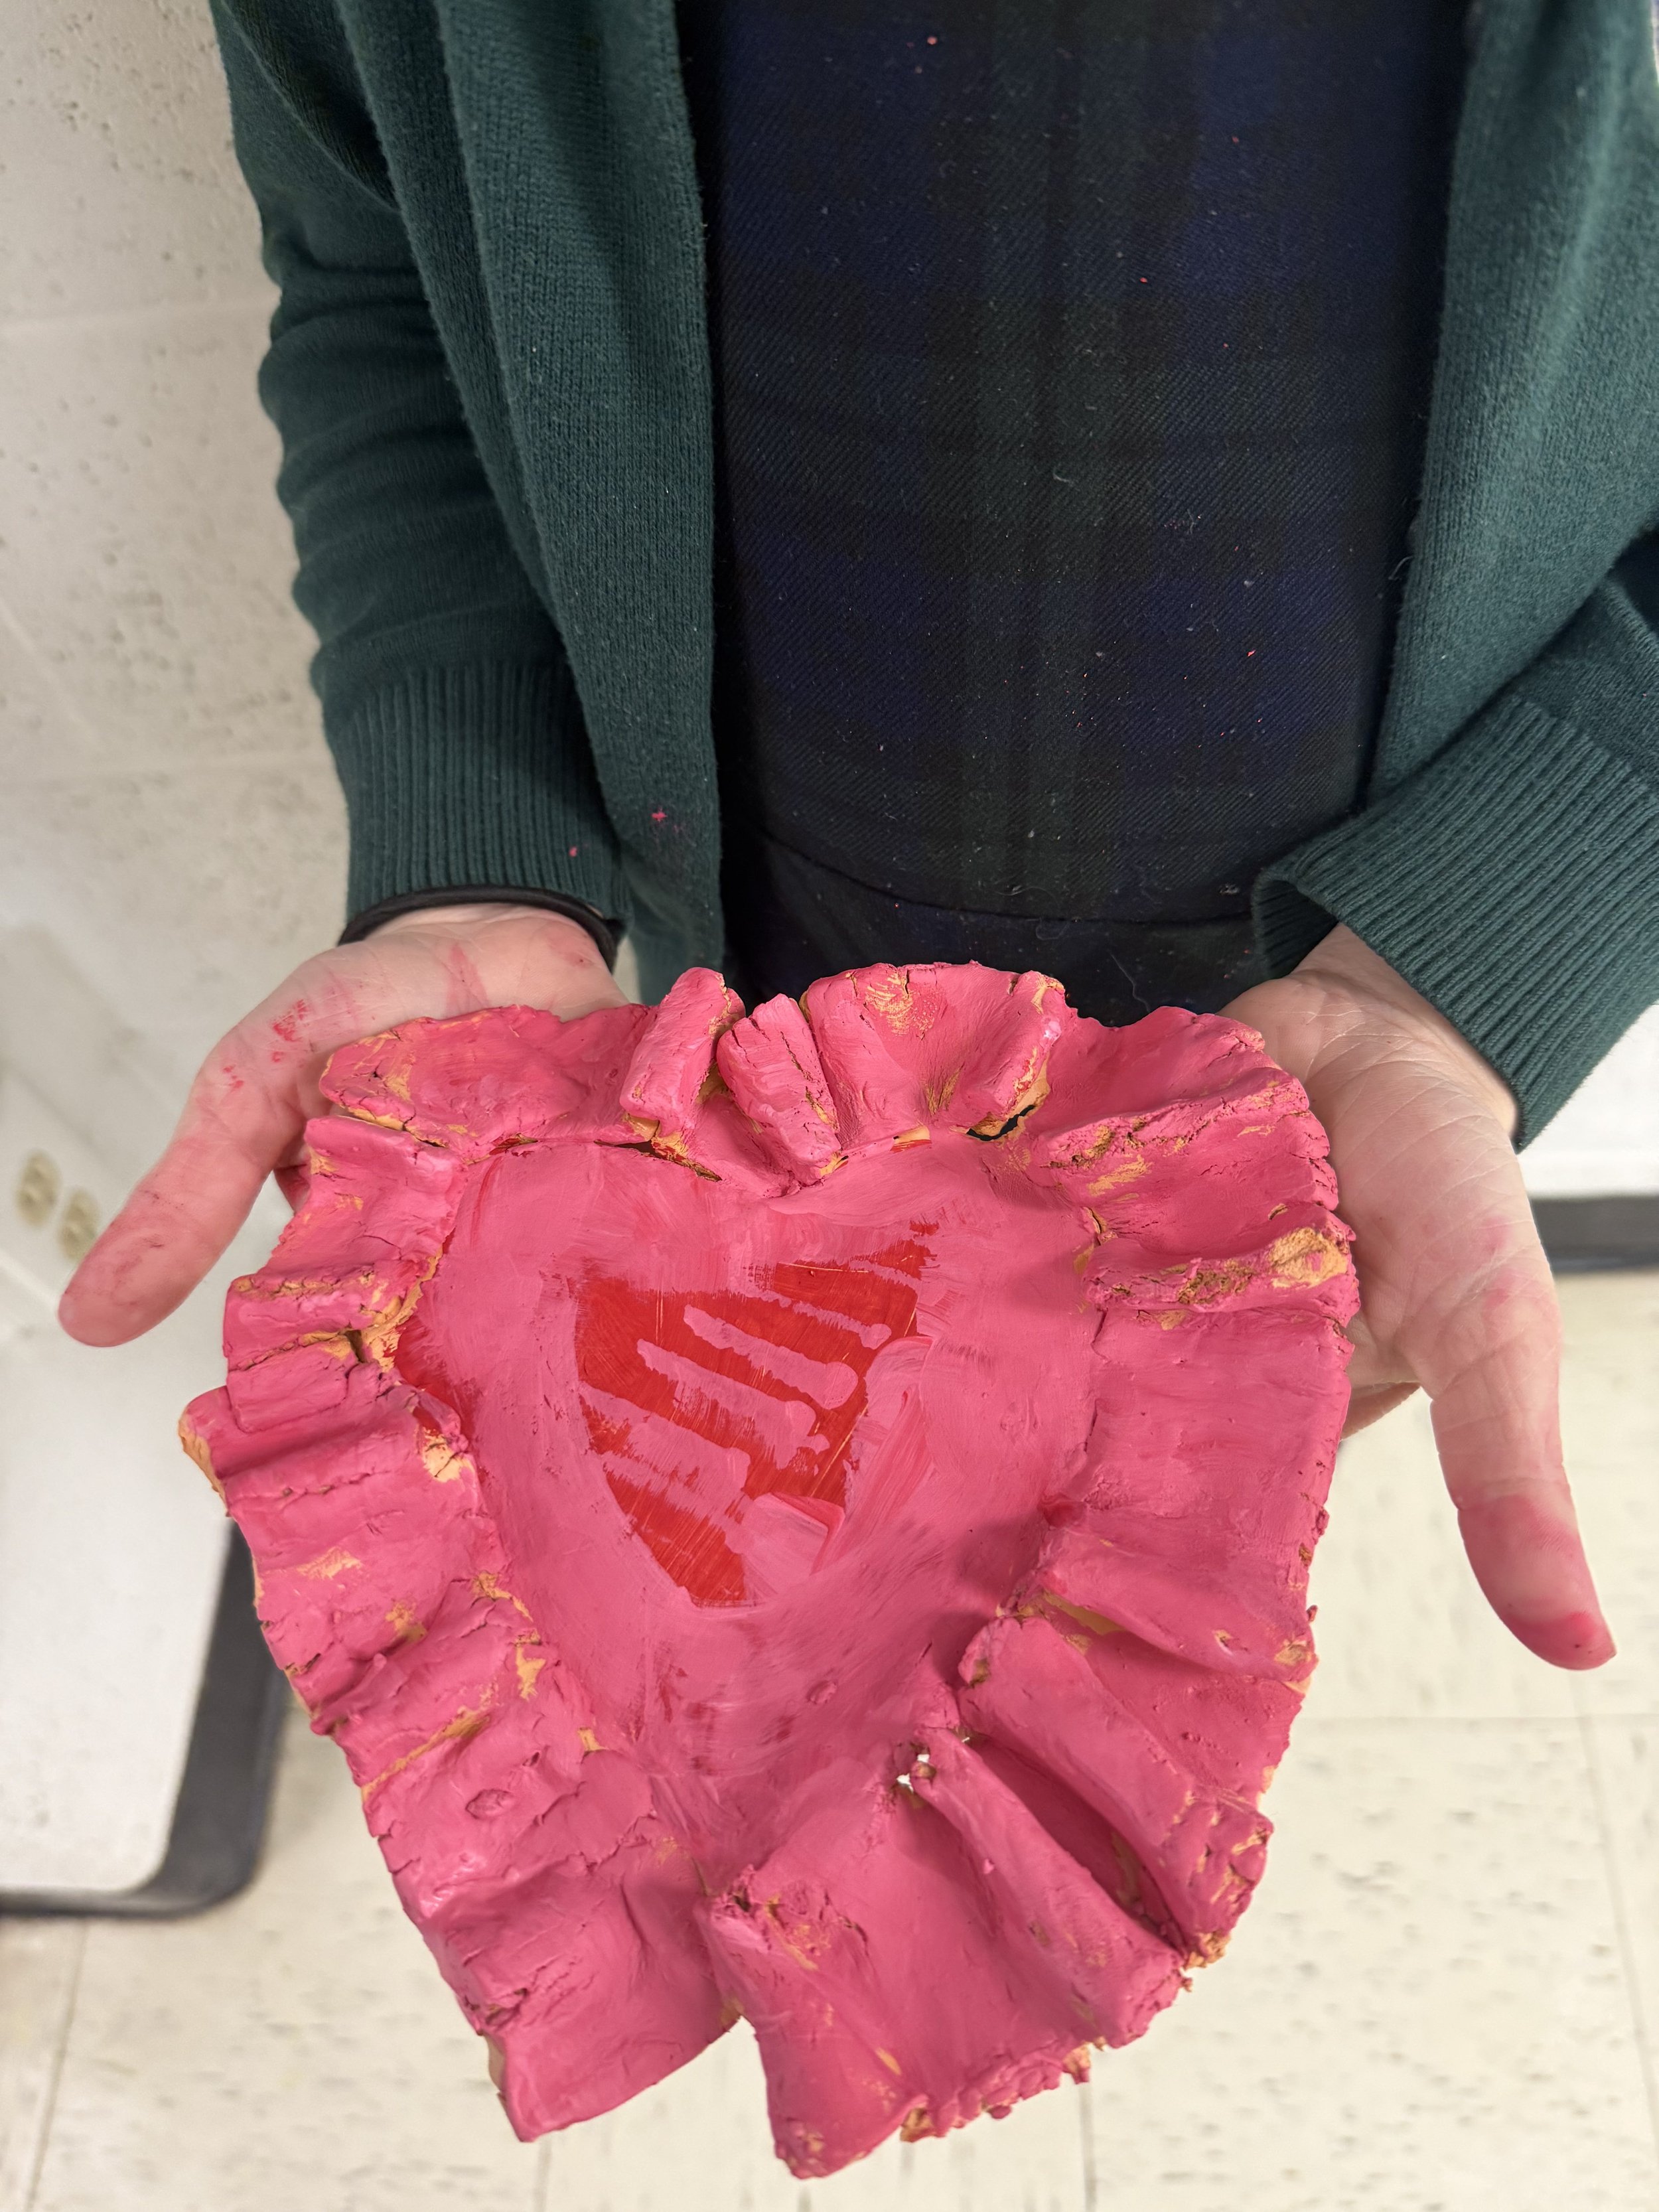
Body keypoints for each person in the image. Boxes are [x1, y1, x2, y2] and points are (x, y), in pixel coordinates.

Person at [59, 0, 1659, 1674]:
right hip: (739, 929)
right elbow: (383, 274)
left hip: (1341, 941)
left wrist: (1472, 948)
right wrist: (481, 838)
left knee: (1103, 1612)